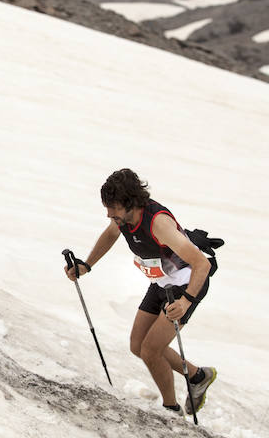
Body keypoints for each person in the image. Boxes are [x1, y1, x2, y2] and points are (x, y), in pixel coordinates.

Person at [65, 168, 217, 415]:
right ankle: (199, 377)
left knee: (151, 350)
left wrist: (186, 302)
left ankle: (170, 409)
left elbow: (203, 264)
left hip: (186, 284)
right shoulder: (122, 219)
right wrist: (86, 265)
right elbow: (111, 234)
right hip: (161, 283)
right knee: (138, 346)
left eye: (113, 209)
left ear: (130, 204)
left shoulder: (159, 224)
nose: (108, 214)